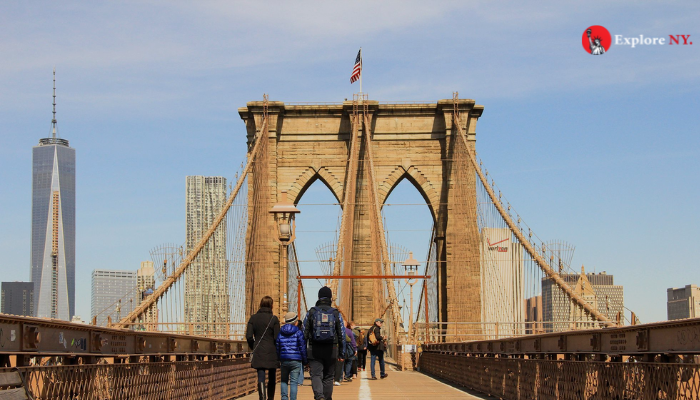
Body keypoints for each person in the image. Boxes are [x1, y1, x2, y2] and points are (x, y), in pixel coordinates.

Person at [303, 286, 345, 400]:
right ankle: (325, 398)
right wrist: (342, 352)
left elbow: (304, 334)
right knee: (328, 377)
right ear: (330, 298)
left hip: (314, 349)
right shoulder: (336, 313)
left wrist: (303, 354)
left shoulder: (311, 312)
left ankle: (319, 396)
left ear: (319, 297)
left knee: (316, 375)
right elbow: (342, 334)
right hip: (331, 349)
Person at [246, 296, 280, 400]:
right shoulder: (274, 319)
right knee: (272, 376)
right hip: (271, 351)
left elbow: (248, 336)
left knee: (260, 374)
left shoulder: (253, 318)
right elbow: (276, 337)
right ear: (271, 305)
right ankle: (270, 398)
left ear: (260, 304)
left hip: (259, 350)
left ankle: (262, 397)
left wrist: (254, 346)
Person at [276, 311, 307, 400]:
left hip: (284, 360)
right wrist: (305, 361)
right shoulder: (298, 332)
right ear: (296, 322)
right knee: (293, 382)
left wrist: (279, 358)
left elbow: (278, 346)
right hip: (296, 360)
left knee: (284, 381)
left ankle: (284, 398)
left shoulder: (280, 332)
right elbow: (302, 347)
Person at [294, 319, 305, 386]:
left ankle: (296, 380)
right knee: (300, 366)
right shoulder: (301, 332)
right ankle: (300, 380)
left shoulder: (292, 331)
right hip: (299, 351)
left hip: (293, 351)